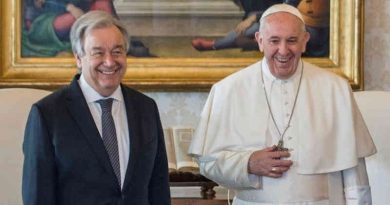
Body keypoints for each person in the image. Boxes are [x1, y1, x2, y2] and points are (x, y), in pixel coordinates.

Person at [188, 4, 376, 205]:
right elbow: (207, 162)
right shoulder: (228, 90)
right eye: (274, 41)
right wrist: (247, 163)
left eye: (292, 41)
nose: (283, 50)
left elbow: (355, 178)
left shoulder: (335, 88)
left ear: (305, 41)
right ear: (260, 41)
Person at [22, 11, 170, 205]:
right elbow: (38, 197)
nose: (109, 61)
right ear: (78, 58)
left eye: (117, 51)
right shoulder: (47, 114)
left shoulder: (146, 109)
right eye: (98, 52)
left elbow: (158, 189)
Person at [191, 0, 300, 51]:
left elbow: (285, 9)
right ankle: (256, 42)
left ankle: (214, 45)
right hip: (262, 15)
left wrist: (254, 17)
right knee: (255, 27)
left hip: (283, 20)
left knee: (259, 26)